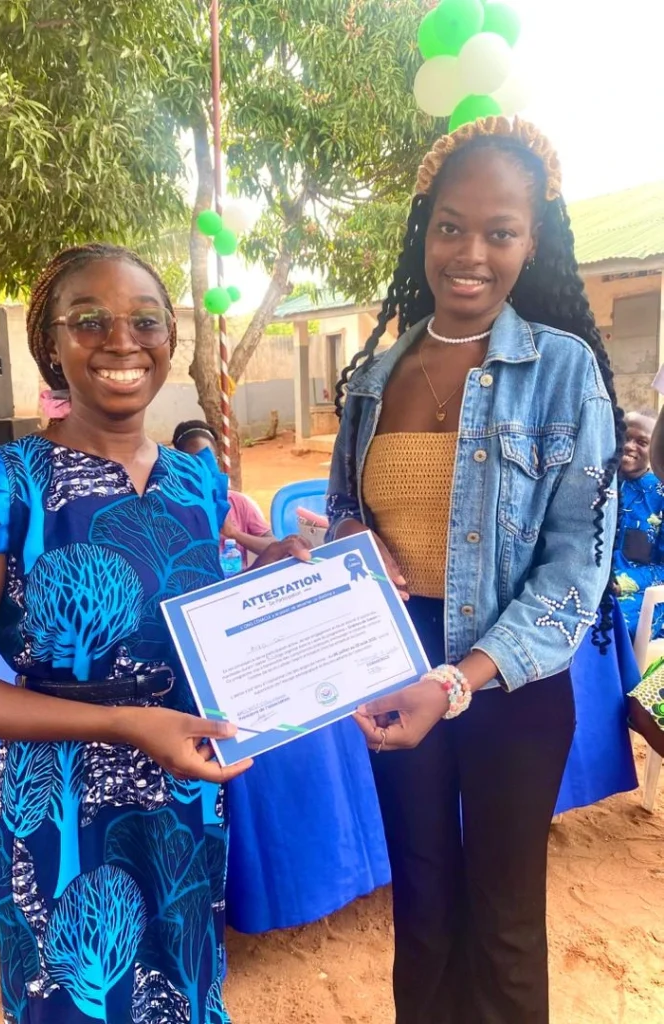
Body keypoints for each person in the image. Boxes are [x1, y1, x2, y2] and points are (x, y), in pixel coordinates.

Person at [0, 243, 304, 1024]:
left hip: (184, 788)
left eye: (145, 322)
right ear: (49, 344)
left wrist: (282, 574)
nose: (121, 341)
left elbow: (183, 622)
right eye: (89, 321)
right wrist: (122, 724)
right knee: (80, 999)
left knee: (180, 991)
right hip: (60, 803)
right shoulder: (4, 485)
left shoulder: (197, 481)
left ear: (170, 340)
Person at [326, 118, 624, 1024]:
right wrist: (351, 534)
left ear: (533, 242)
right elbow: (344, 509)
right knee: (421, 906)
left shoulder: (564, 372)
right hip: (392, 662)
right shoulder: (374, 377)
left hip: (511, 679)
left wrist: (458, 681)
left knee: (503, 921)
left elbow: (575, 569)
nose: (471, 254)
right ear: (425, 227)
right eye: (451, 226)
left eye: (501, 232)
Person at [172, 419, 277, 567]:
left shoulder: (238, 503)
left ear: (216, 461)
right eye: (194, 463)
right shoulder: (172, 509)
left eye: (206, 461)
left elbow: (275, 547)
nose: (202, 470)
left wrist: (234, 533)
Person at [614, 411, 664, 638]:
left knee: (607, 625)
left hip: (642, 596)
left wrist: (624, 582)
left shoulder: (660, 497)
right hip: (590, 585)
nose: (629, 446)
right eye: (625, 437)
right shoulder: (597, 484)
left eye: (642, 442)